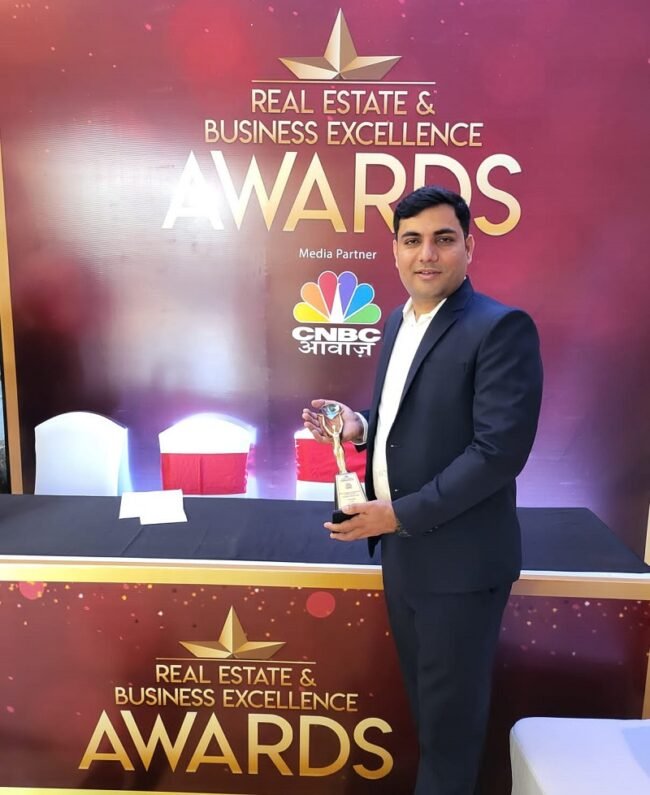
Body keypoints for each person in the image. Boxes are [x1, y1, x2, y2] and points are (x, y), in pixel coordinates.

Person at [302, 185, 543, 795]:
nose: (426, 254)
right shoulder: (398, 320)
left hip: (460, 567)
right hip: (406, 557)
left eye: (443, 239)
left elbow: (497, 453)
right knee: (431, 723)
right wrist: (359, 426)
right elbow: (406, 419)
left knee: (449, 736)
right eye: (412, 240)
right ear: (395, 251)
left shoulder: (500, 328)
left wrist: (397, 514)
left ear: (469, 247)